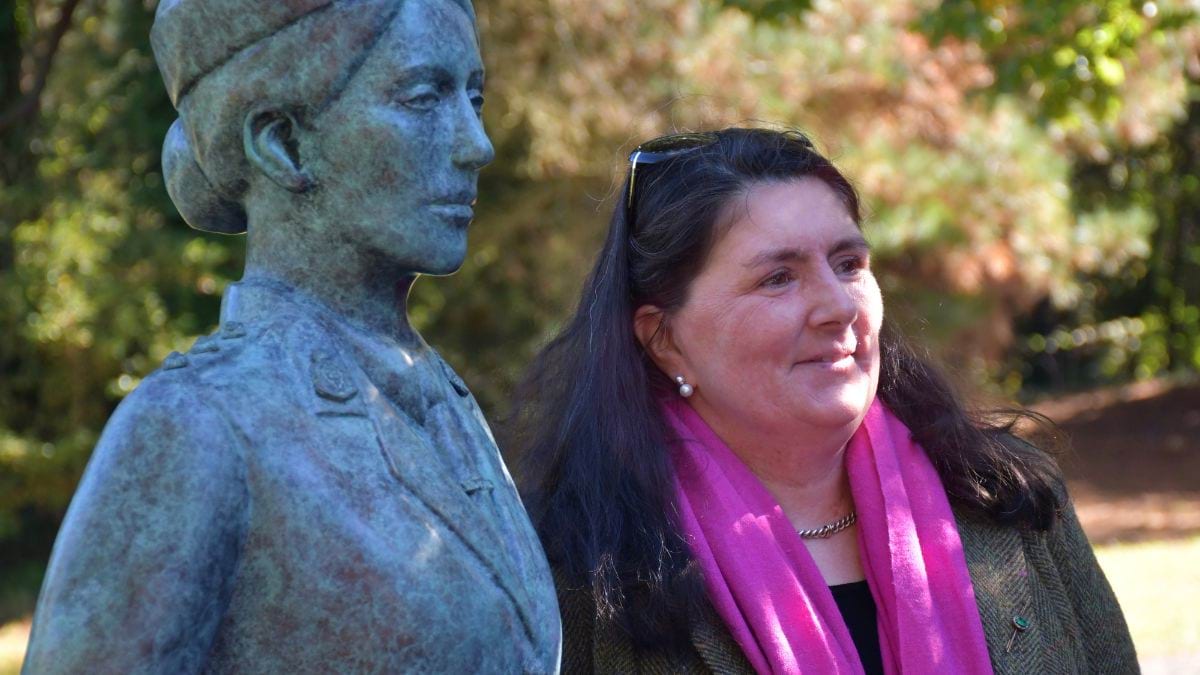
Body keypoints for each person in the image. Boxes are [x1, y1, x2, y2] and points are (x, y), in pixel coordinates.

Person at [22, 0, 560, 672]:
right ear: (282, 142)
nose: (476, 142)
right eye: (424, 96)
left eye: (474, 96)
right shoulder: (195, 426)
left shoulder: (444, 401)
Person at [508, 127, 1136, 673]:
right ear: (664, 340)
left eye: (848, 263)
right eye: (778, 277)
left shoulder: (1007, 498)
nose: (839, 306)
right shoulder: (578, 566)